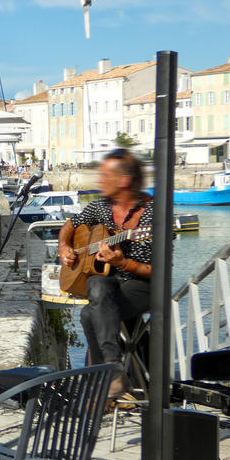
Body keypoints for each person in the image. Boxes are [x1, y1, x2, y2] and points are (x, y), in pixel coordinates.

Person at [58, 148, 152, 398]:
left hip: (143, 284)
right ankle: (114, 372)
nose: (99, 181)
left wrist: (122, 263)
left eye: (104, 175)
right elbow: (70, 225)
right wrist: (64, 247)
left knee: (90, 313)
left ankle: (105, 379)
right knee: (98, 283)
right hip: (110, 286)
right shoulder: (100, 207)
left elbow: (156, 271)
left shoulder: (152, 214)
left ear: (124, 180)